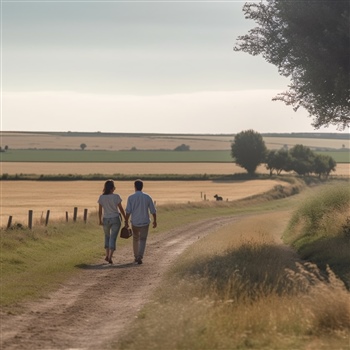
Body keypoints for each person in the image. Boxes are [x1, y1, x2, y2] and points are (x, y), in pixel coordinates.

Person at [124, 179, 157, 265]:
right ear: (142, 187)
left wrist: (126, 221)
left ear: (134, 187)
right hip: (145, 222)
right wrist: (155, 221)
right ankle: (140, 256)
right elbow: (153, 210)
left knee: (135, 239)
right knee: (143, 239)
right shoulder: (147, 197)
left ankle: (136, 256)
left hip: (135, 222)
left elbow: (128, 211)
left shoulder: (130, 198)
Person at [98, 179, 126, 264]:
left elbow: (100, 211)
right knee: (113, 237)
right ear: (112, 188)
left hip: (106, 219)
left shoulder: (101, 197)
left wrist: (100, 220)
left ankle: (107, 255)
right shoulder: (116, 196)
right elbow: (121, 209)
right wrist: (125, 218)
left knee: (107, 236)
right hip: (115, 218)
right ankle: (110, 256)